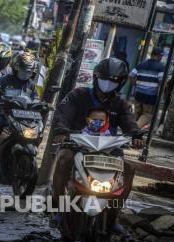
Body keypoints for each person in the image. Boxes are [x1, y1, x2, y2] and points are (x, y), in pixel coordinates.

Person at [52, 57, 145, 232]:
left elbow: (129, 123)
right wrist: (62, 132)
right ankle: (58, 208)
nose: (108, 83)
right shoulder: (78, 95)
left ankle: (112, 217)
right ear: (96, 77)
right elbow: (62, 115)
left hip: (109, 149)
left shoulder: (121, 104)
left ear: (121, 83)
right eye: (105, 79)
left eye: (114, 81)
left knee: (129, 170)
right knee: (64, 160)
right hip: (76, 144)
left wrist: (137, 136)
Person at [0, 51, 38, 164]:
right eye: (23, 71)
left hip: (23, 117)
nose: (26, 74)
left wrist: (43, 104)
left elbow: (35, 98)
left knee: (36, 129)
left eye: (29, 71)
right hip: (2, 113)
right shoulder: (5, 79)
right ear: (16, 68)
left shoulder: (31, 85)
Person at [129, 47, 165, 129]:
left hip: (138, 94)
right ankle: (133, 129)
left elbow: (131, 75)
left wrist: (137, 84)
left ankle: (130, 130)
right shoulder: (160, 67)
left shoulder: (141, 65)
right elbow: (161, 82)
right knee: (147, 115)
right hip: (150, 96)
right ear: (159, 56)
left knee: (136, 113)